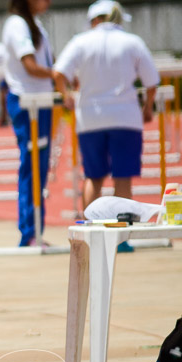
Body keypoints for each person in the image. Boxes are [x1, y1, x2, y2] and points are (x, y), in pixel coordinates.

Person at [52, 0, 159, 210]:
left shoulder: (80, 42)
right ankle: (123, 240)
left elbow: (58, 73)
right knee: (123, 178)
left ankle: (92, 234)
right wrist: (147, 108)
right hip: (125, 118)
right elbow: (152, 82)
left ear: (94, 20)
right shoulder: (132, 42)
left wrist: (66, 97)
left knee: (93, 177)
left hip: (90, 119)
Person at [3, 0, 55, 247]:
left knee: (39, 167)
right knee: (32, 166)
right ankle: (29, 232)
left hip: (39, 101)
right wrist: (58, 75)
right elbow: (30, 66)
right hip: (28, 104)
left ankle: (34, 231)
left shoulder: (33, 24)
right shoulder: (17, 24)